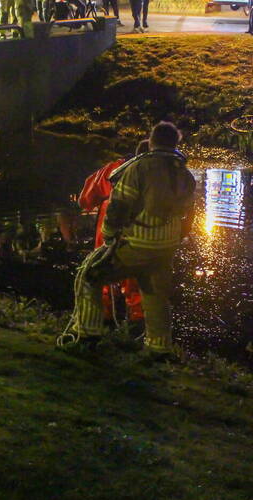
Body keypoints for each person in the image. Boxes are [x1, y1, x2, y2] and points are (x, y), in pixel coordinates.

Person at [64, 122, 196, 359]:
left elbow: (119, 206)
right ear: (175, 144)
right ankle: (159, 348)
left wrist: (110, 235)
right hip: (166, 249)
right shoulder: (185, 174)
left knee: (90, 274)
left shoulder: (137, 168)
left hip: (138, 245)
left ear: (152, 141)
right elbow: (189, 215)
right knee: (156, 296)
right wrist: (176, 238)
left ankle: (89, 335)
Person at [78, 140, 151, 324]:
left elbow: (85, 200)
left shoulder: (114, 170)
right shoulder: (167, 177)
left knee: (100, 278)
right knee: (138, 285)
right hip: (143, 239)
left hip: (110, 236)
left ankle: (101, 324)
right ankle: (138, 330)